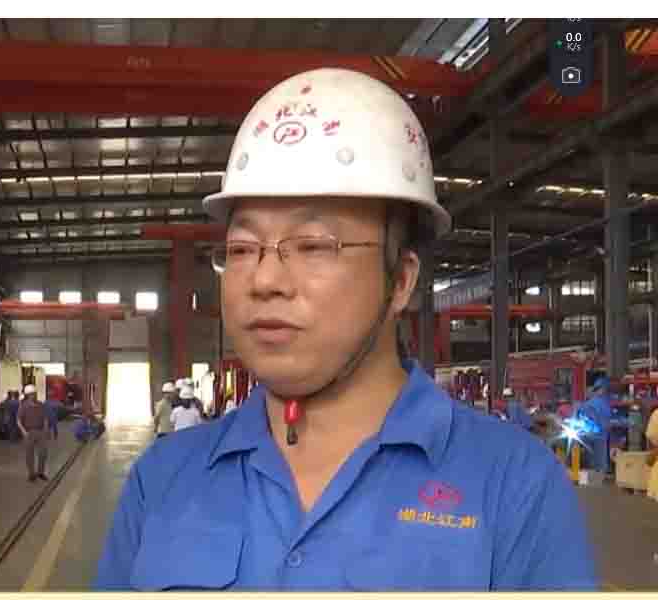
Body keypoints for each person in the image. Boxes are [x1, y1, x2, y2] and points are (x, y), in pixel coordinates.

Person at [95, 68, 597, 591]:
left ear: (400, 281)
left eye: (313, 246)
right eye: (242, 249)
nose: (264, 280)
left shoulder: (514, 487)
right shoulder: (163, 479)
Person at [576, 376, 613, 473]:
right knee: (600, 462)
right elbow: (607, 421)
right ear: (603, 389)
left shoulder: (586, 404)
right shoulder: (604, 403)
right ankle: (600, 475)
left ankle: (592, 474)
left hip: (588, 436)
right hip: (600, 436)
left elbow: (579, 417)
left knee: (591, 461)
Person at [17, 384, 49, 482]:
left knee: (43, 453)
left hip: (40, 431)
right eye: (32, 394)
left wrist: (45, 429)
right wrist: (23, 431)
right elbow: (18, 420)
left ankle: (40, 472)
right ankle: (31, 474)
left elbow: (45, 418)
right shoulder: (23, 406)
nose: (34, 395)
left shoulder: (40, 405)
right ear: (28, 395)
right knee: (29, 454)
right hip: (29, 432)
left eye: (34, 393)